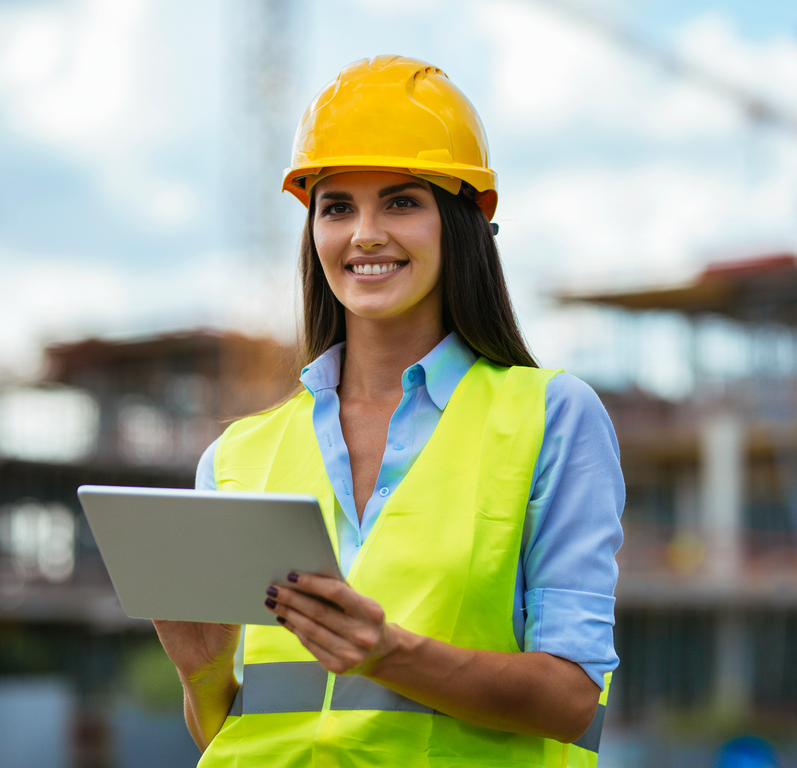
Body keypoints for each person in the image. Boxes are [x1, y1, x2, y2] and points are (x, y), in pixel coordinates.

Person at [153, 54, 624, 767]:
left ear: (466, 220)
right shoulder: (235, 459)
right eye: (337, 207)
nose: (364, 234)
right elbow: (243, 735)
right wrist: (203, 675)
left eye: (401, 202)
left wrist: (387, 653)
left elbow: (572, 701)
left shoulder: (551, 418)